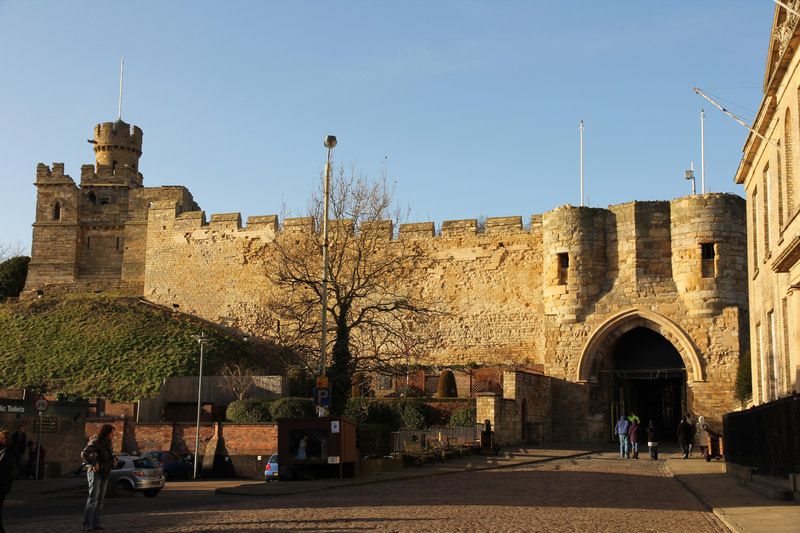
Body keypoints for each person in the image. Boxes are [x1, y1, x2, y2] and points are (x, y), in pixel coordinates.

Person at [81, 424, 117, 531]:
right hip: (95, 472)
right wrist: (93, 462)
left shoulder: (108, 443)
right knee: (93, 497)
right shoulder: (96, 441)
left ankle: (96, 523)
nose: (113, 435)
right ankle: (87, 524)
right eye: (111, 433)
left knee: (100, 499)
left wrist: (114, 459)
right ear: (106, 433)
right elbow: (85, 453)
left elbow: (108, 455)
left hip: (105, 472)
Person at [0, 429, 17, 533]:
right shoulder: (1, 449)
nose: (4, 440)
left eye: (5, 438)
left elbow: (8, 466)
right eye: (2, 438)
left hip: (3, 483)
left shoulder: (11, 451)